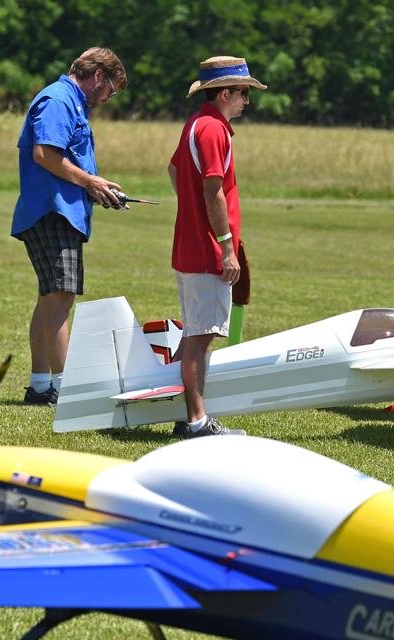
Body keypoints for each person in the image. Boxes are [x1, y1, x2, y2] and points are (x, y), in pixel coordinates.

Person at [11, 47, 127, 406]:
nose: (107, 99)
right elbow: (45, 154)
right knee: (61, 296)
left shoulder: (69, 102)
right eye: (110, 90)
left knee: (50, 297)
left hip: (57, 211)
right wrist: (90, 182)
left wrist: (95, 189)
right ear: (98, 76)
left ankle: (40, 387)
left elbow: (66, 163)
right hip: (52, 212)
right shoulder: (58, 100)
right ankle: (68, 392)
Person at [166, 56, 266, 438]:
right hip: (206, 252)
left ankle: (185, 416)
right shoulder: (214, 131)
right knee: (200, 339)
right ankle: (196, 422)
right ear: (224, 93)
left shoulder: (196, 124)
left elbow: (175, 170)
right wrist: (226, 246)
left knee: (194, 334)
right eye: (243, 92)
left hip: (189, 246)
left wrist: (191, 209)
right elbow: (213, 190)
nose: (246, 100)